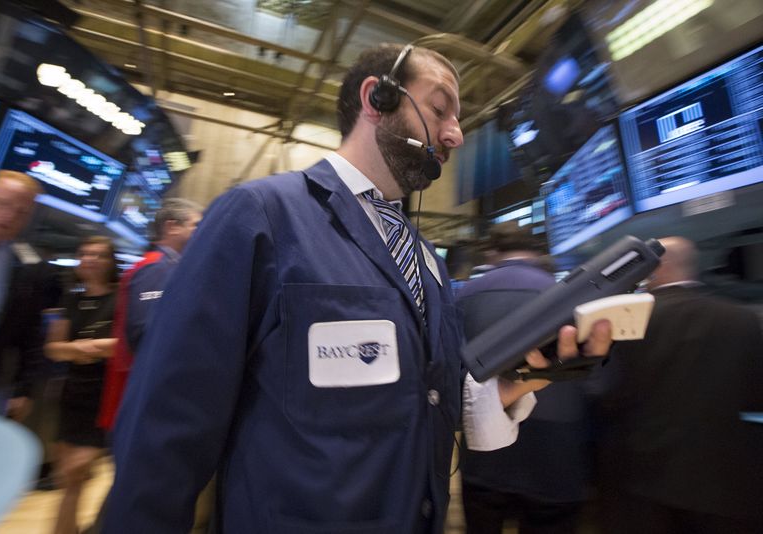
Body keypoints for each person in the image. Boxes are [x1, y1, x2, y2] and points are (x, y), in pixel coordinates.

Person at [102, 43, 611, 534]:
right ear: (377, 99)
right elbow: (168, 417)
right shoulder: (262, 215)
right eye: (440, 109)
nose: (455, 135)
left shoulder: (424, 258)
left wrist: (523, 378)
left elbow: (428, 395)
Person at [596, 236, 763, 534]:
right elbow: (755, 398)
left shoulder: (627, 323)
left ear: (657, 269)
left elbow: (606, 394)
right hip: (725, 482)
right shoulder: (743, 320)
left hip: (644, 479)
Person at [456, 225, 593, 534]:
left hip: (484, 456)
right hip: (556, 455)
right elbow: (599, 382)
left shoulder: (465, 294)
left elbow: (450, 369)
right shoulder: (575, 295)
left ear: (492, 253)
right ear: (540, 254)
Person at [98, 198, 203, 431]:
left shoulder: (167, 266)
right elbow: (146, 334)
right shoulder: (157, 268)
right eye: (197, 225)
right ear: (172, 226)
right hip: (149, 393)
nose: (202, 232)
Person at [0, 170, 59, 417]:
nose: (8, 217)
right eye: (2, 203)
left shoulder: (28, 267)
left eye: (21, 212)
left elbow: (30, 334)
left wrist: (23, 389)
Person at [44, 236, 119, 534]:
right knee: (68, 480)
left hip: (105, 393)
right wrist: (85, 349)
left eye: (98, 255)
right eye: (85, 254)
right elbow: (54, 347)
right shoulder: (70, 299)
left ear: (110, 262)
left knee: (77, 470)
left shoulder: (121, 297)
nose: (90, 260)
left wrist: (84, 348)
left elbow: (125, 345)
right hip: (72, 393)